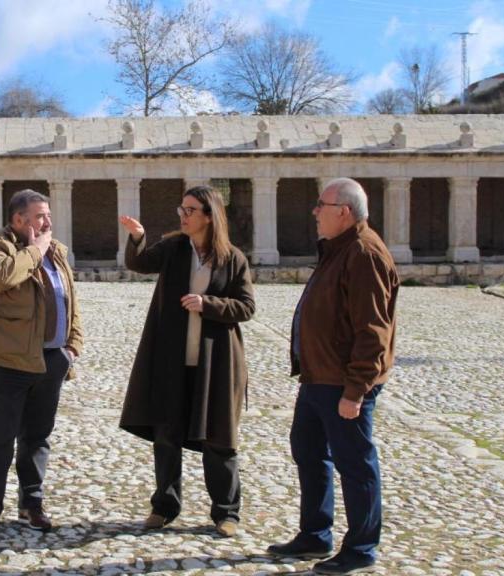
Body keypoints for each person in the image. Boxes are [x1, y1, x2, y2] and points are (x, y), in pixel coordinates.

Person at [267, 178, 399, 575]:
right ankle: (315, 534)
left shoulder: (363, 253)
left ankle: (361, 547)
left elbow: (373, 330)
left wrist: (356, 390)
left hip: (343, 382)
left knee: (355, 464)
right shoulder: (337, 249)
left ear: (343, 211)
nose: (314, 211)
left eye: (320, 205)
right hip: (317, 377)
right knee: (309, 452)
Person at [118, 185, 255, 537]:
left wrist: (208, 304)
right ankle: (164, 506)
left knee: (219, 439)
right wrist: (138, 237)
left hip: (216, 362)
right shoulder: (173, 248)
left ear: (209, 215)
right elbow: (139, 263)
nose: (183, 215)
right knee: (167, 434)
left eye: (190, 210)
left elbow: (246, 307)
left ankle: (227, 512)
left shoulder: (232, 258)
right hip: (172, 359)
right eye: (182, 209)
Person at [0, 188, 83, 539]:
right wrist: (35, 250)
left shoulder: (57, 251)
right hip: (5, 362)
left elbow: (69, 298)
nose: (47, 222)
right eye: (39, 216)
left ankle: (32, 503)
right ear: (19, 220)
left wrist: (72, 346)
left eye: (48, 215)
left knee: (37, 437)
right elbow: (1, 277)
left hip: (51, 359)